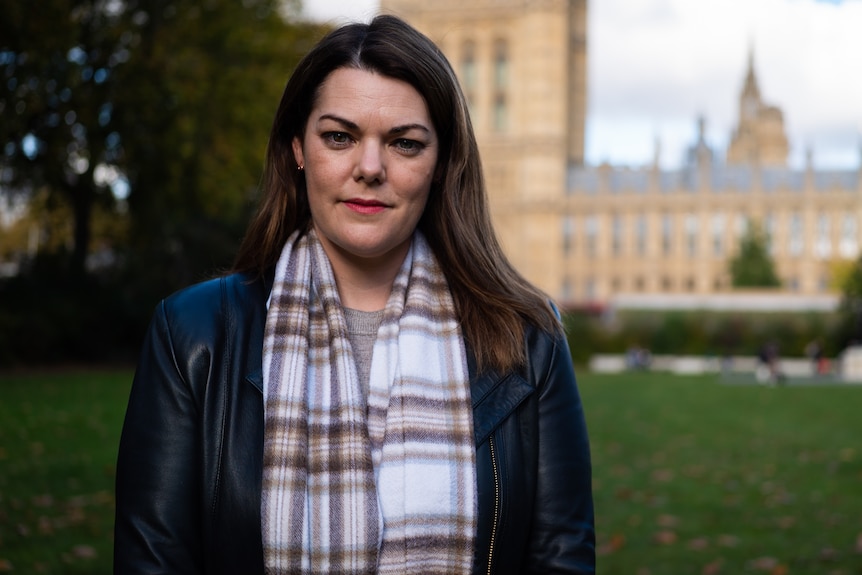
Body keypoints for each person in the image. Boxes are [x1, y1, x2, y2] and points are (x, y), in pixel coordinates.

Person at [113, 14, 595, 574]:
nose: (370, 168)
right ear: (297, 148)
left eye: (405, 144)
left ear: (441, 163)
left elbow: (560, 559)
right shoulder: (194, 336)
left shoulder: (527, 340)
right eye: (339, 137)